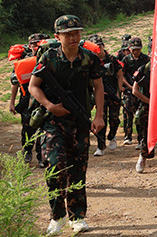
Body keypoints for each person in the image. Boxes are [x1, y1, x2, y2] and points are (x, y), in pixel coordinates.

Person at [28, 15, 105, 236]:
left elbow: (98, 86)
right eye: (68, 34)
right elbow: (34, 86)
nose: (73, 37)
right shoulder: (49, 57)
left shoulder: (90, 58)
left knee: (78, 169)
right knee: (54, 167)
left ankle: (78, 216)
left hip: (79, 122)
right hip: (53, 122)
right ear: (57, 36)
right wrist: (50, 106)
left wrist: (99, 116)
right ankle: (57, 216)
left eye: (77, 33)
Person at [9, 33, 47, 166]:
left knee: (43, 128)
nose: (35, 46)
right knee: (28, 128)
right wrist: (12, 102)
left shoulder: (49, 58)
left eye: (38, 43)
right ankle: (27, 151)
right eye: (33, 44)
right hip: (27, 100)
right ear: (29, 45)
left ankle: (41, 156)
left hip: (44, 98)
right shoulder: (23, 61)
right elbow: (15, 83)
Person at [88, 35, 123, 156]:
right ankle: (100, 146)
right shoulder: (91, 61)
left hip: (113, 93)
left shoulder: (112, 59)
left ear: (103, 46)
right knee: (100, 119)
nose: (98, 50)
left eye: (99, 46)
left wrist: (118, 92)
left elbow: (120, 75)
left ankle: (112, 135)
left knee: (114, 119)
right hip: (100, 96)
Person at [122, 37, 150, 146]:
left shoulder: (146, 59)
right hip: (129, 91)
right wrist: (128, 86)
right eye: (133, 49)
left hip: (142, 91)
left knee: (140, 115)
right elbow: (122, 75)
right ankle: (127, 136)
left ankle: (140, 139)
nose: (135, 51)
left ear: (141, 48)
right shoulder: (126, 60)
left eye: (137, 49)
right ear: (129, 48)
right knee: (128, 112)